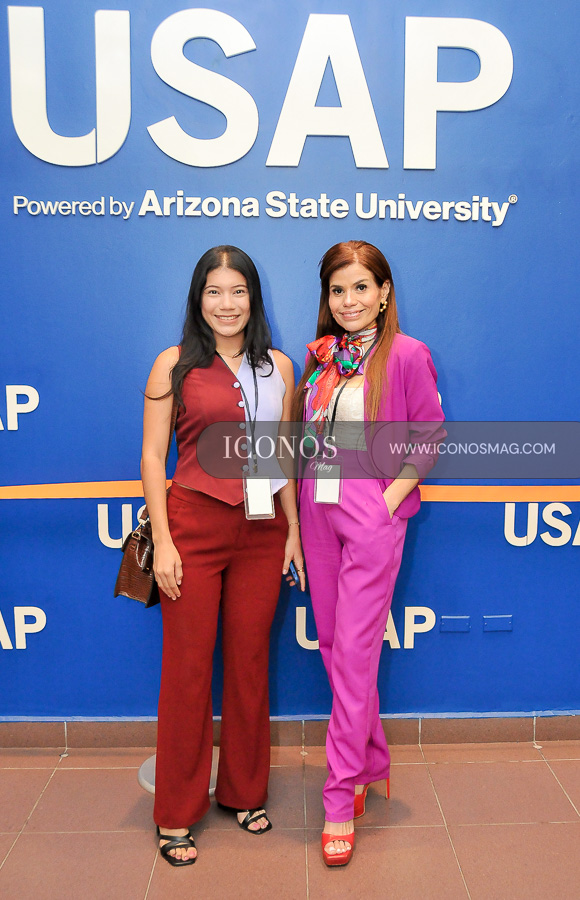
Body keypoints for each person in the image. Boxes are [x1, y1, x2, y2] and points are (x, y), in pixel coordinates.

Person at [141, 245, 305, 866]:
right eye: (215, 291)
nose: (227, 304)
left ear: (253, 298)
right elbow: (152, 456)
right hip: (193, 527)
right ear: (198, 298)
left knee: (249, 663)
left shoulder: (279, 367)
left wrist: (292, 530)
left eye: (238, 291)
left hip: (262, 533)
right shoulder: (173, 364)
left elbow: (281, 456)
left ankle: (243, 792)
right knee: (187, 671)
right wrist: (164, 540)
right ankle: (176, 812)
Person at [294, 240, 445, 866]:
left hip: (370, 508)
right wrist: (296, 526)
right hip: (315, 505)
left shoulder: (406, 354)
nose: (349, 300)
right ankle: (369, 761)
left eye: (361, 287)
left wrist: (387, 503)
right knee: (335, 647)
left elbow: (430, 435)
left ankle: (338, 797)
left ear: (384, 293)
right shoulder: (320, 360)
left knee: (356, 655)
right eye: (338, 289)